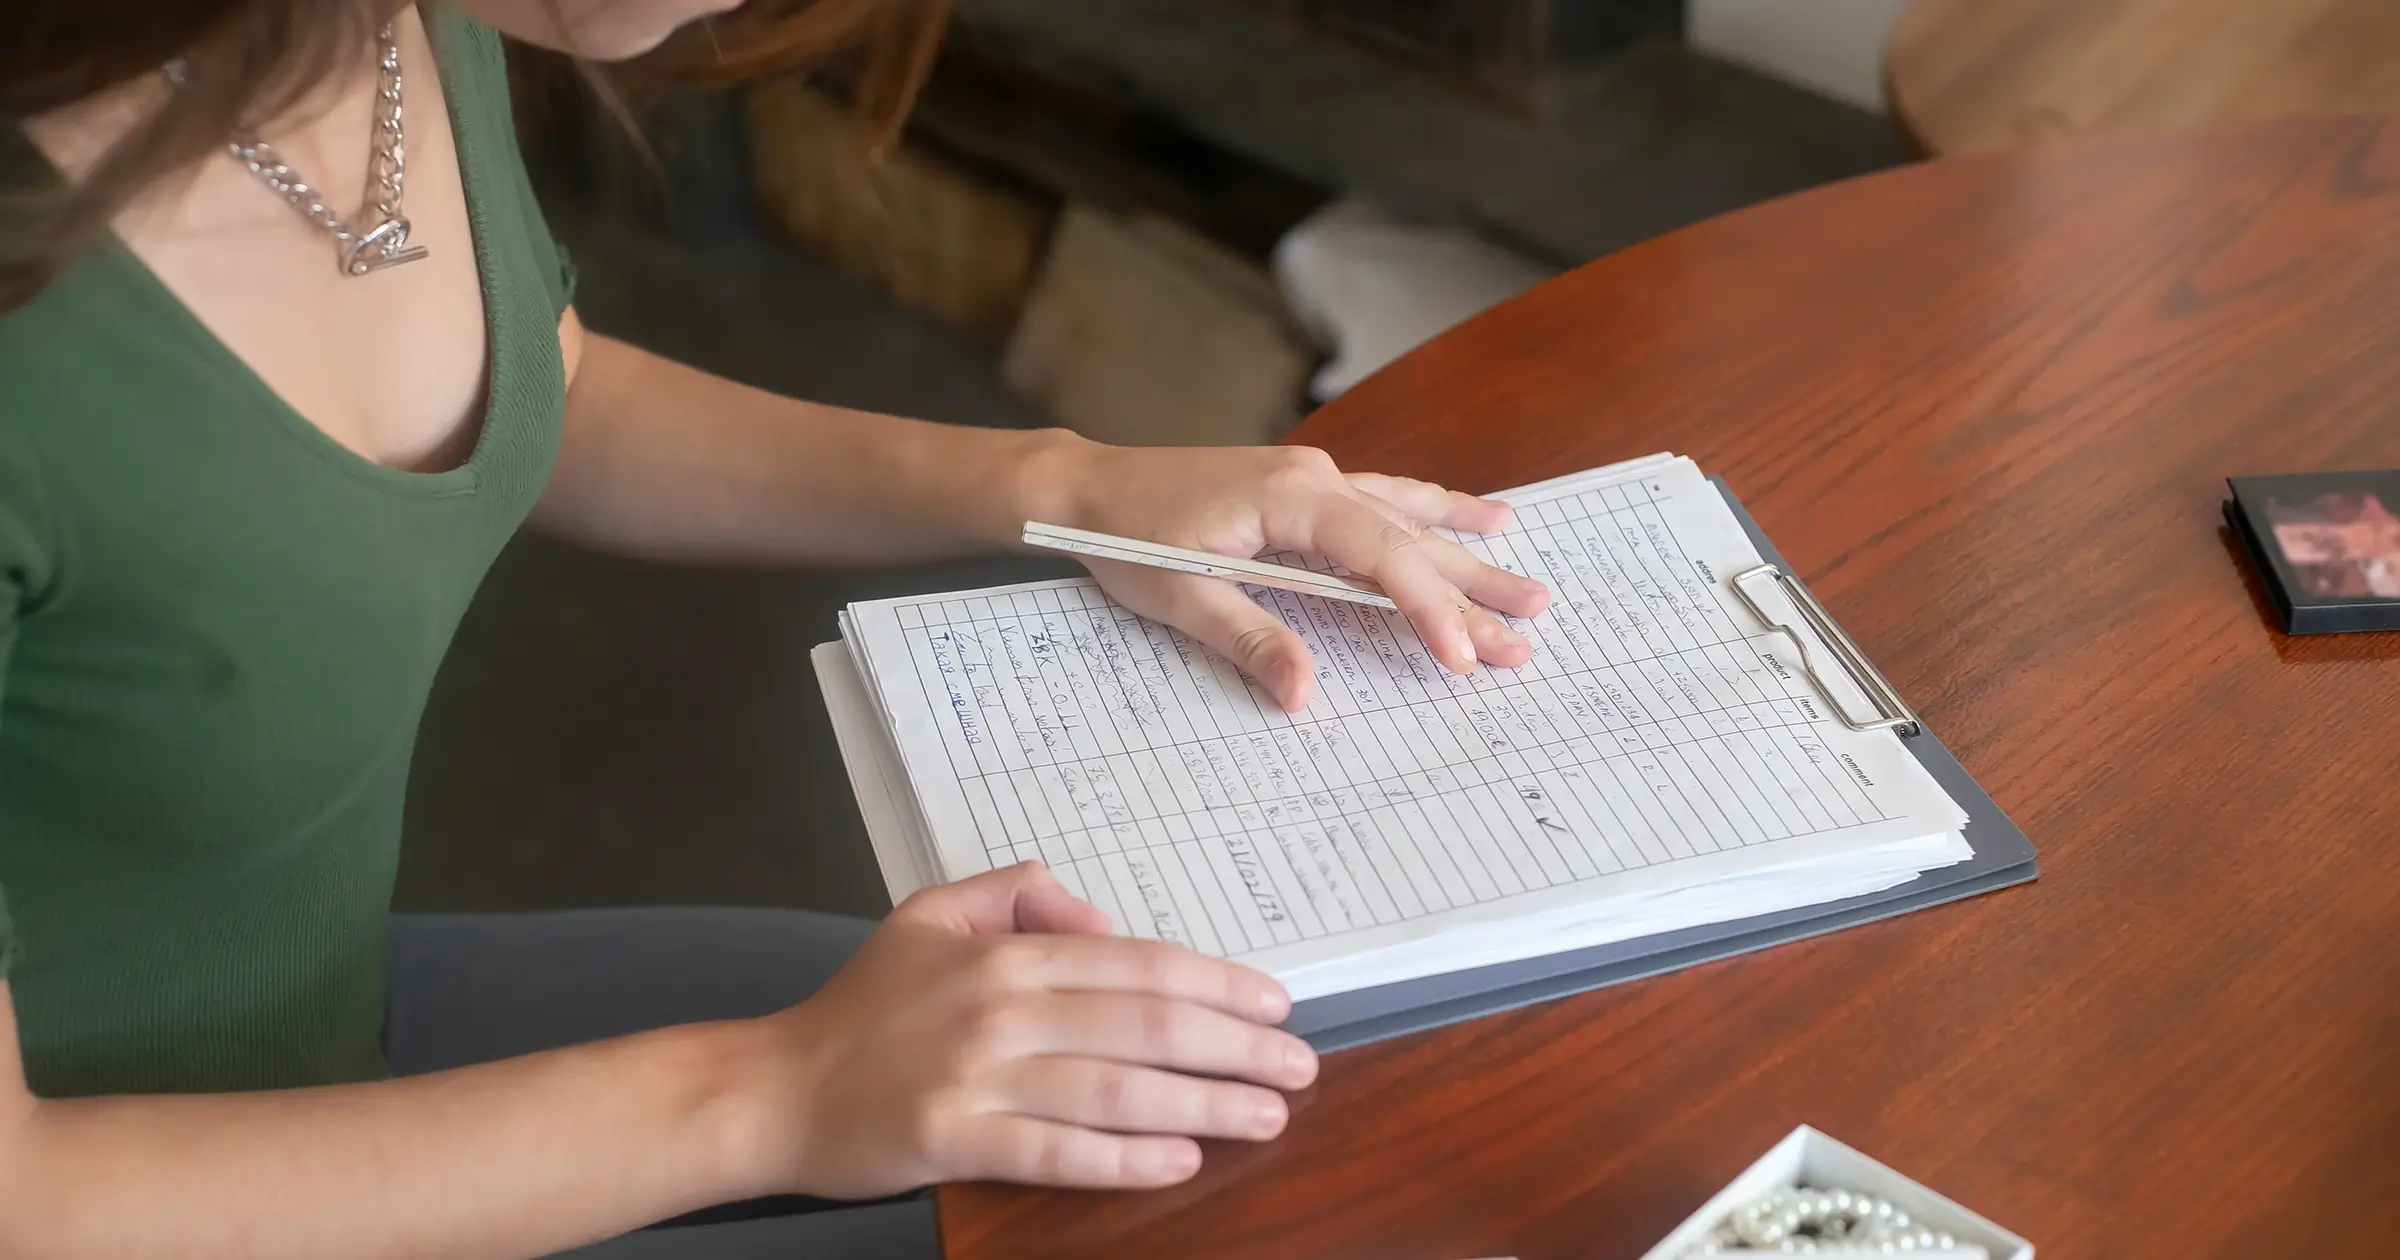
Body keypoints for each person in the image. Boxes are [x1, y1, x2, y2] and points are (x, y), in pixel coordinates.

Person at [0, 1, 1551, 1256]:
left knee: (1142, 1081)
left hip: (317, 1010)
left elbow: (531, 386)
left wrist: (1073, 486)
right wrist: (770, 1097)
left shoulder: (389, 24)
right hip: (115, 1174)